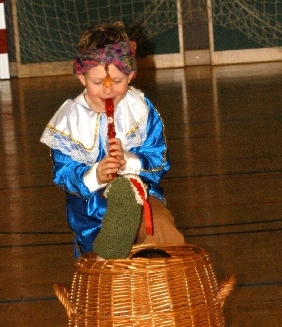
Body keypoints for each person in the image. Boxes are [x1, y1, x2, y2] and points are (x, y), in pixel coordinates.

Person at [40, 22, 184, 259]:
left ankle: (170, 275)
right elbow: (63, 174)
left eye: (118, 82)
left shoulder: (140, 109)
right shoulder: (69, 120)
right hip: (92, 213)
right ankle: (107, 263)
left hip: (142, 200)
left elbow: (158, 159)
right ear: (81, 77)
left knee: (162, 230)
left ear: (131, 75)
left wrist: (131, 161)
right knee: (104, 268)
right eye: (97, 83)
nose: (108, 91)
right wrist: (95, 175)